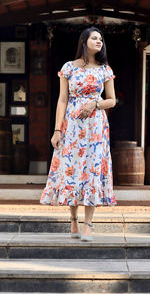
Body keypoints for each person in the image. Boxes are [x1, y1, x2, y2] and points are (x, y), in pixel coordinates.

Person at [40, 26, 117, 241]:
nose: (99, 41)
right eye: (94, 38)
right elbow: (62, 100)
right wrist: (57, 130)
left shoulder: (105, 69)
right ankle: (73, 220)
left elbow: (112, 99)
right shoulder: (68, 68)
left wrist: (95, 104)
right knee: (71, 169)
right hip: (71, 127)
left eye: (101, 39)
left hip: (96, 128)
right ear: (84, 41)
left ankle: (88, 225)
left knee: (92, 170)